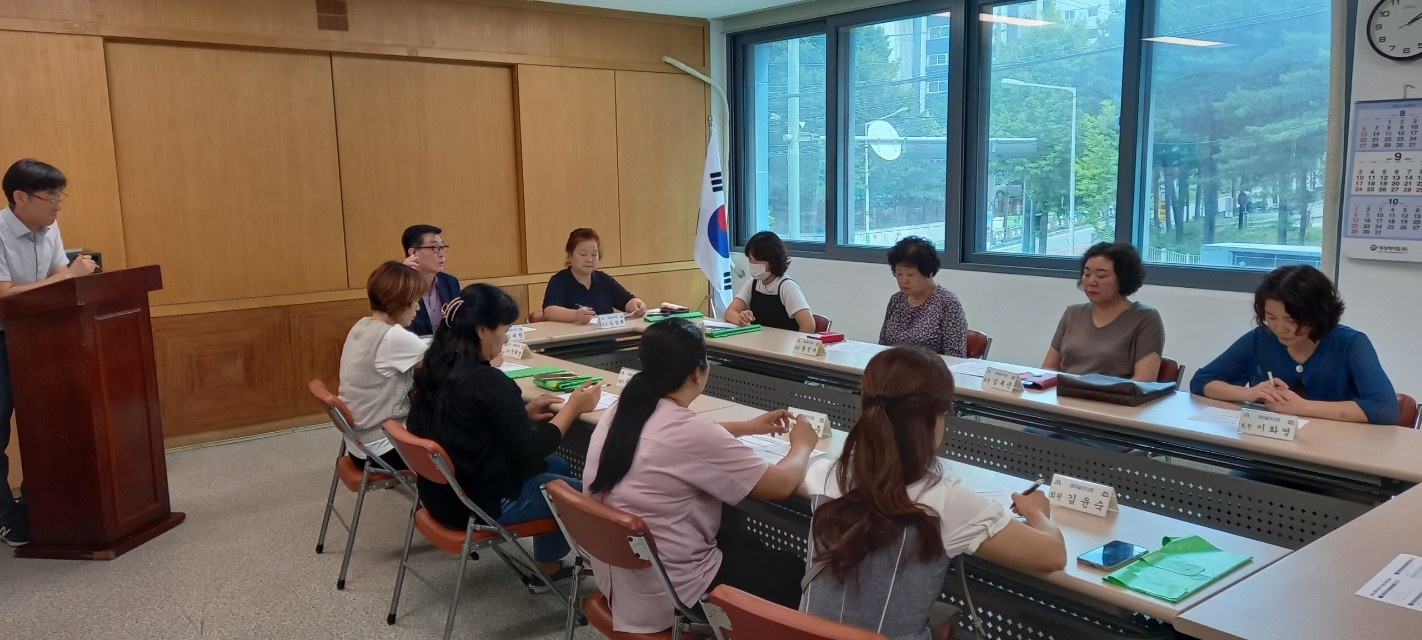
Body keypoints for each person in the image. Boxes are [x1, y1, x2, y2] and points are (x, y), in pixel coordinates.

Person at [803, 346, 1067, 639]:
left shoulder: (824, 474)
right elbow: (1053, 555)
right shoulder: (945, 502)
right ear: (936, 417)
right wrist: (1038, 512)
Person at [584, 318, 819, 634]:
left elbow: (676, 439)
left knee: (748, 542)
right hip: (673, 593)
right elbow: (781, 484)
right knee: (792, 571)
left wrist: (748, 427)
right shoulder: (686, 431)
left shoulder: (624, 408)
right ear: (697, 372)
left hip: (624, 577)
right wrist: (802, 444)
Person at [406, 283, 601, 586]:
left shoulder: (433, 369)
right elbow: (530, 450)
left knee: (559, 466)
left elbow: (464, 422)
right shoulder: (488, 382)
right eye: (505, 329)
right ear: (482, 330)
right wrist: (573, 408)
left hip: (442, 497)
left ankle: (547, 566)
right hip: (480, 504)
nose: (507, 338)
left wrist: (520, 413)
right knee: (589, 497)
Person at [0, 159, 98, 547]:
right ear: (20, 197)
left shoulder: (49, 226)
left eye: (60, 196)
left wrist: (67, 276)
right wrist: (68, 275)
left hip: (37, 338)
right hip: (1, 339)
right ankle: (6, 517)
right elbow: (5, 297)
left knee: (47, 424)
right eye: (50, 197)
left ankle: (41, 503)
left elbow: (58, 279)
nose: (58, 205)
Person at [1191, 265, 1399, 425]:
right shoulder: (1260, 338)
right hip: (1269, 450)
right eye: (1271, 317)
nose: (1280, 328)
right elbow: (1202, 381)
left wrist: (1302, 407)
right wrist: (1249, 393)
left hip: (1334, 452)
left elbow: (1385, 409)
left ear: (1318, 314)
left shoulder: (1351, 344)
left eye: (1291, 320)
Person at [337, 261, 429, 471]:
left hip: (358, 445)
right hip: (383, 447)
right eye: (415, 301)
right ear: (399, 301)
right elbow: (442, 367)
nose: (418, 307)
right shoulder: (393, 336)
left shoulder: (362, 325)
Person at [1043, 242, 1164, 381]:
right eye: (1087, 274)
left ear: (1124, 279)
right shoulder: (1072, 313)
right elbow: (1048, 368)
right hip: (1064, 392)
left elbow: (1144, 381)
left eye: (1101, 276)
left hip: (1113, 394)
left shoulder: (1145, 318)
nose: (1091, 282)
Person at [878, 236, 968, 357]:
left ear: (929, 272)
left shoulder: (948, 303)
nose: (903, 280)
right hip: (896, 366)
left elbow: (956, 356)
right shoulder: (896, 300)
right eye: (899, 274)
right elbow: (883, 345)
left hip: (930, 368)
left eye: (910, 274)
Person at [542, 228, 647, 323]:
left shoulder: (603, 279)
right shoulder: (559, 281)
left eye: (594, 254)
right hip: (574, 337)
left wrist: (637, 304)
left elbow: (627, 300)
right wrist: (576, 315)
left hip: (606, 336)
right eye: (583, 254)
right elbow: (549, 311)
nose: (589, 259)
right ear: (570, 256)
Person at [723, 231, 814, 333]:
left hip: (782, 342)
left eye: (755, 260)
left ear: (771, 262)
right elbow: (729, 313)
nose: (751, 264)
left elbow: (808, 325)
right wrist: (741, 318)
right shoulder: (753, 283)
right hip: (758, 341)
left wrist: (795, 343)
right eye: (750, 259)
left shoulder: (786, 286)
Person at [401, 224, 459, 336]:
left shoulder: (450, 283)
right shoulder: (400, 286)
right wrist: (400, 276)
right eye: (435, 248)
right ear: (413, 252)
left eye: (442, 247)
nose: (442, 254)